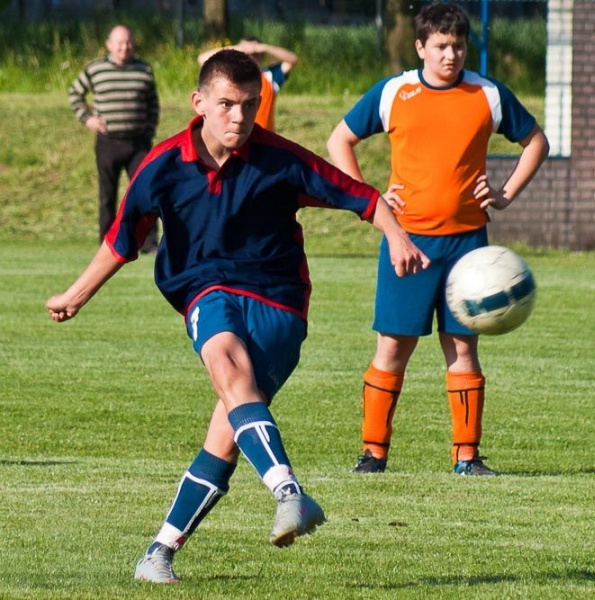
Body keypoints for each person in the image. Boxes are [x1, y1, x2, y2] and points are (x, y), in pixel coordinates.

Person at [46, 49, 428, 584]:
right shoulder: (163, 166)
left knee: (226, 432)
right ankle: (284, 495)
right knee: (226, 366)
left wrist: (396, 235)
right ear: (199, 103)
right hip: (208, 291)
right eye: (226, 104)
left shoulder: (280, 159)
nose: (239, 117)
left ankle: (161, 550)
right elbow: (121, 239)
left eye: (250, 105)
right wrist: (76, 294)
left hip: (280, 305)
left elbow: (361, 197)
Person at [327, 1, 549, 476]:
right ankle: (373, 454)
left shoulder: (487, 93)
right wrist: (370, 201)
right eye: (442, 46)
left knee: (463, 348)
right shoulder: (395, 92)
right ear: (420, 47)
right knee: (392, 346)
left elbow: (536, 142)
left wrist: (506, 192)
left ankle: (466, 458)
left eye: (459, 46)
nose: (452, 55)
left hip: (469, 247)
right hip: (407, 244)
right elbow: (338, 140)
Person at [68, 24, 160, 253]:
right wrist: (87, 118)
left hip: (139, 143)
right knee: (107, 195)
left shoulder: (143, 69)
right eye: (119, 42)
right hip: (108, 142)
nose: (124, 47)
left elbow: (153, 104)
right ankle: (108, 245)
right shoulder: (96, 69)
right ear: (108, 44)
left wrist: (149, 129)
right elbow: (75, 93)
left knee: (144, 192)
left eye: (128, 42)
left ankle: (148, 243)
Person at [198, 37, 298, 131]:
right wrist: (237, 49)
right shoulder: (228, 75)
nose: (249, 58)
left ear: (262, 56)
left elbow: (293, 60)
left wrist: (264, 47)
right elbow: (202, 59)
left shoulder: (270, 75)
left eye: (255, 54)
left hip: (263, 137)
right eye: (244, 54)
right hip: (234, 131)